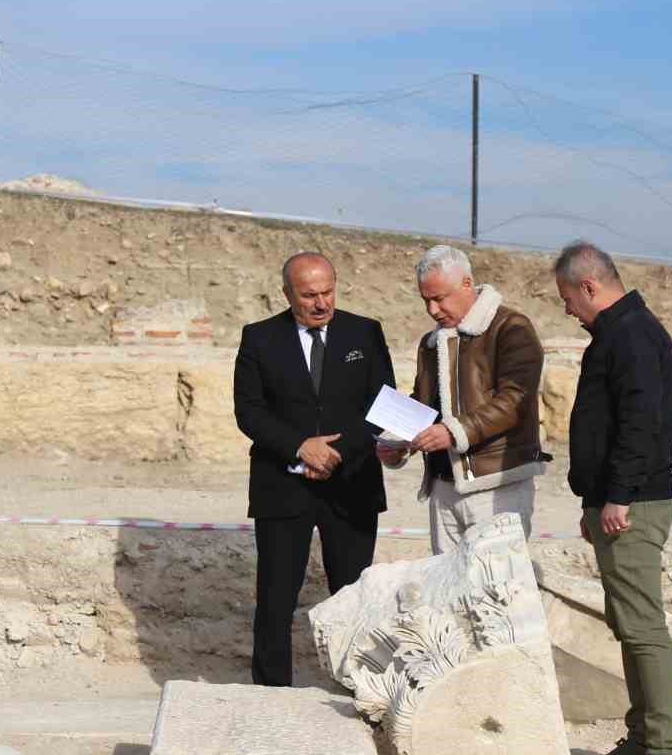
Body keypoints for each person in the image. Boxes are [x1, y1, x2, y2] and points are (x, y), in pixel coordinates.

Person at [553, 240, 672, 755]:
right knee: (628, 625)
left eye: (567, 298)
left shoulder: (631, 335)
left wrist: (618, 497)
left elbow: (641, 422)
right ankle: (638, 742)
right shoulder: (617, 333)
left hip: (634, 503)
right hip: (615, 501)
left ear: (589, 286)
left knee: (645, 629)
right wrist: (595, 498)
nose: (566, 310)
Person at [233, 251, 396, 686]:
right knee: (275, 598)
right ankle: (270, 696)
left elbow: (384, 405)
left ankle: (359, 690)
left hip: (352, 485)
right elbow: (249, 411)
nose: (321, 303)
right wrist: (300, 447)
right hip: (283, 488)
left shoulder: (365, 332)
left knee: (354, 596)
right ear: (287, 294)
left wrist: (335, 455)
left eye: (328, 292)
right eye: (309, 296)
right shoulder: (259, 338)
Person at [376, 245, 548, 553]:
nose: (432, 310)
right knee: (450, 592)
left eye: (439, 298)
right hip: (443, 488)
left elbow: (514, 401)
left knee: (499, 591)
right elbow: (425, 403)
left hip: (497, 486)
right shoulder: (431, 343)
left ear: (466, 284)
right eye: (425, 300)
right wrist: (397, 442)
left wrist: (453, 432)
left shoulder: (511, 328)